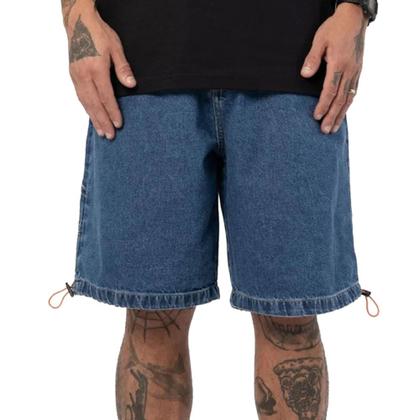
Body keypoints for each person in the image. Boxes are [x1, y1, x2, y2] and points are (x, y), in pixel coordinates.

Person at [55, 0, 379, 418]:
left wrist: (355, 10)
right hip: (140, 64)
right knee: (153, 321)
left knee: (291, 322)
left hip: (297, 63)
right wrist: (78, 16)